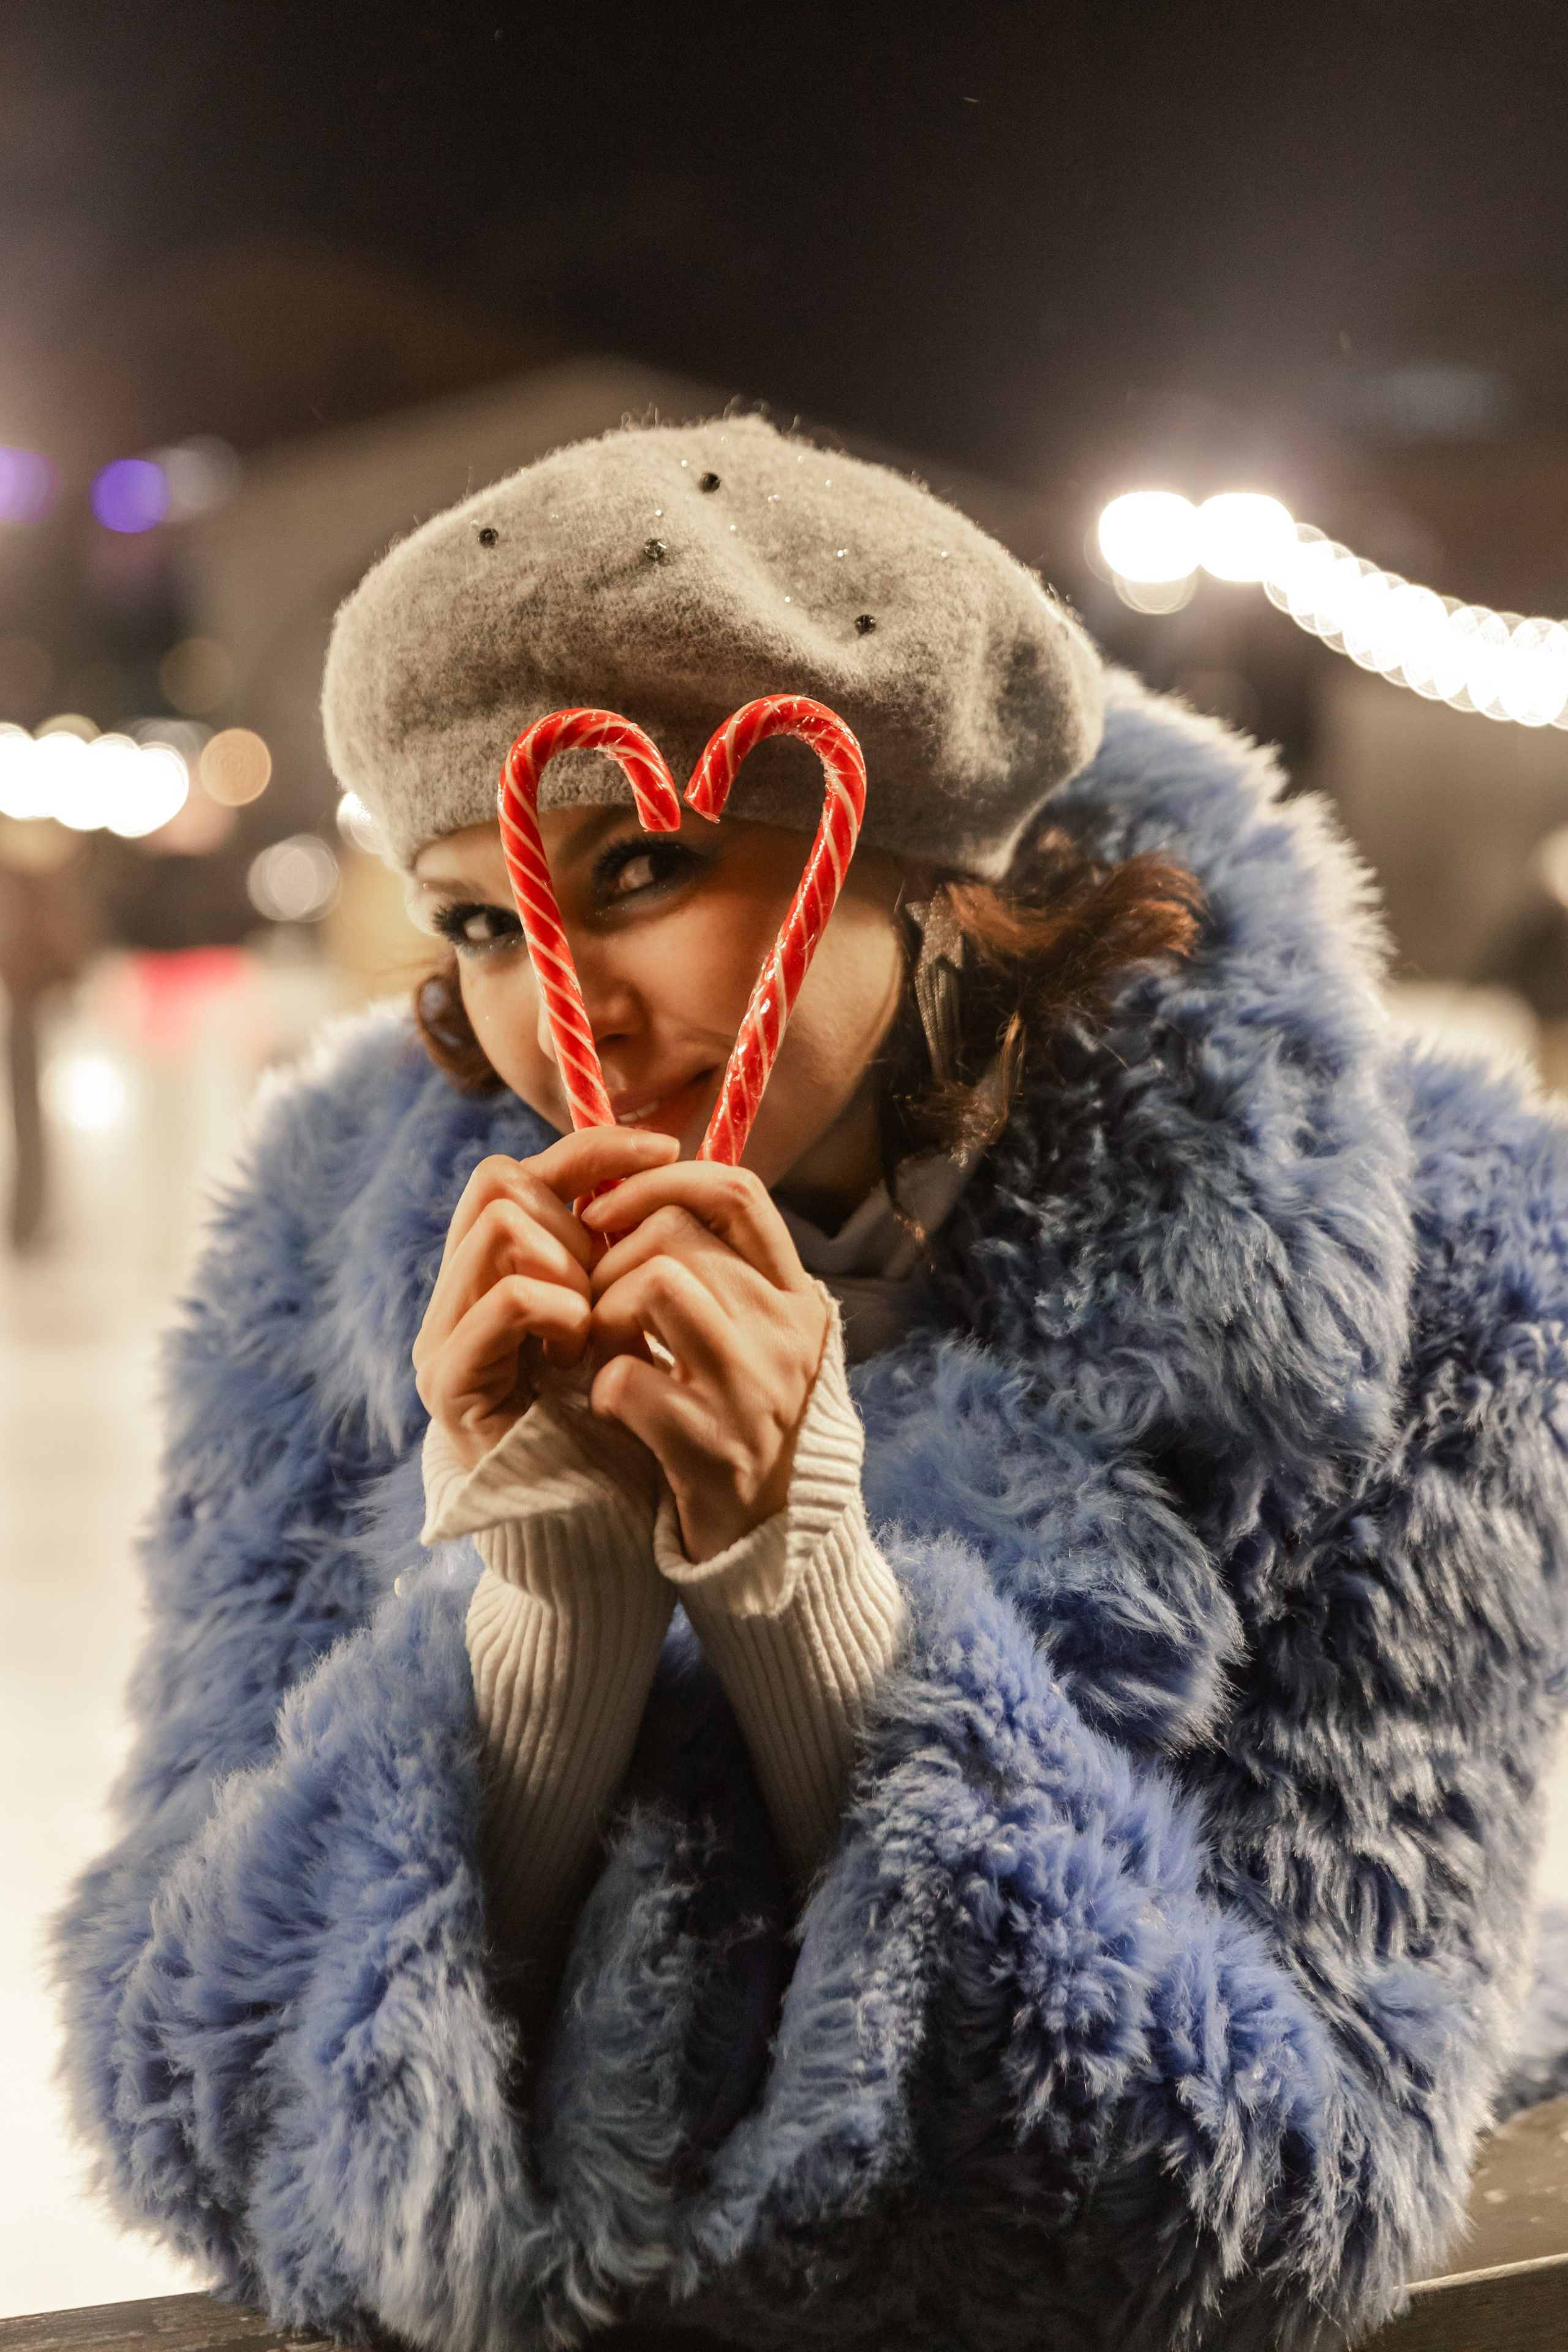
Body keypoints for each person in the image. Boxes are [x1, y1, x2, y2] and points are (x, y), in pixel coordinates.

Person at [56, 417, 1568, 2352]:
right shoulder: (335, 1239)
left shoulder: (1438, 1267)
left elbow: (1288, 2190)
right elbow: (194, 2096)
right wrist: (546, 1629)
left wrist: (817, 1607)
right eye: (483, 918)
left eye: (645, 866)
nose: (564, 1009)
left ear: (933, 864)